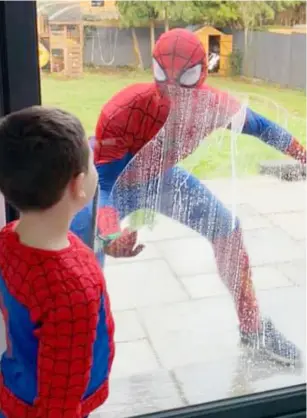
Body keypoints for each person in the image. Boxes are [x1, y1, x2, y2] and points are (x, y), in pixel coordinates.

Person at [71, 28, 306, 366]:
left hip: (162, 178)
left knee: (226, 228)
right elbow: (105, 185)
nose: (173, 94)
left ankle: (253, 328)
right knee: (82, 255)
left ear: (202, 74)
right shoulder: (121, 111)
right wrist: (108, 234)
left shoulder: (215, 107)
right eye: (163, 79)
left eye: (186, 80)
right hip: (113, 183)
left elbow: (266, 129)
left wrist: (304, 155)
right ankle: (79, 349)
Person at [0, 107, 115, 418]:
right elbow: (60, 402)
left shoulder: (7, 240)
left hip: (15, 384)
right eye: (91, 163)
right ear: (79, 185)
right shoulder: (72, 288)